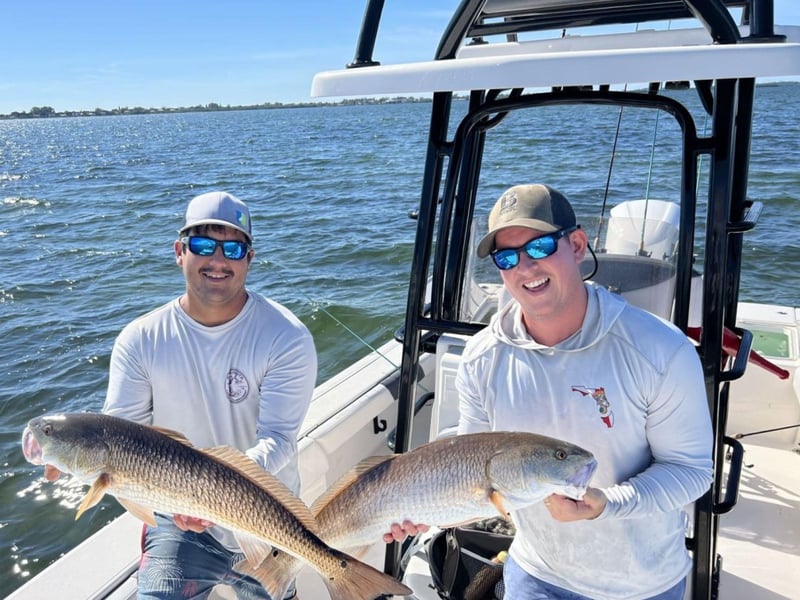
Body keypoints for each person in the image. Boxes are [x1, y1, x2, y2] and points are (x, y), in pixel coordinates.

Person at [450, 183, 713, 599]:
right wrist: (417, 509)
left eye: (538, 248)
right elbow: (472, 465)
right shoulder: (482, 357)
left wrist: (608, 502)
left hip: (643, 585)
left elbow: (691, 469)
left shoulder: (660, 349)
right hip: (535, 572)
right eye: (506, 257)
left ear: (576, 245)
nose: (525, 268)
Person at [102, 191, 317, 599]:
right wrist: (188, 500)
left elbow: (278, 438)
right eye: (203, 244)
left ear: (249, 259)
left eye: (233, 248)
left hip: (267, 516)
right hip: (176, 521)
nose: (218, 260)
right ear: (179, 252)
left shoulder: (286, 336)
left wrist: (209, 495)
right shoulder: (140, 339)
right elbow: (121, 441)